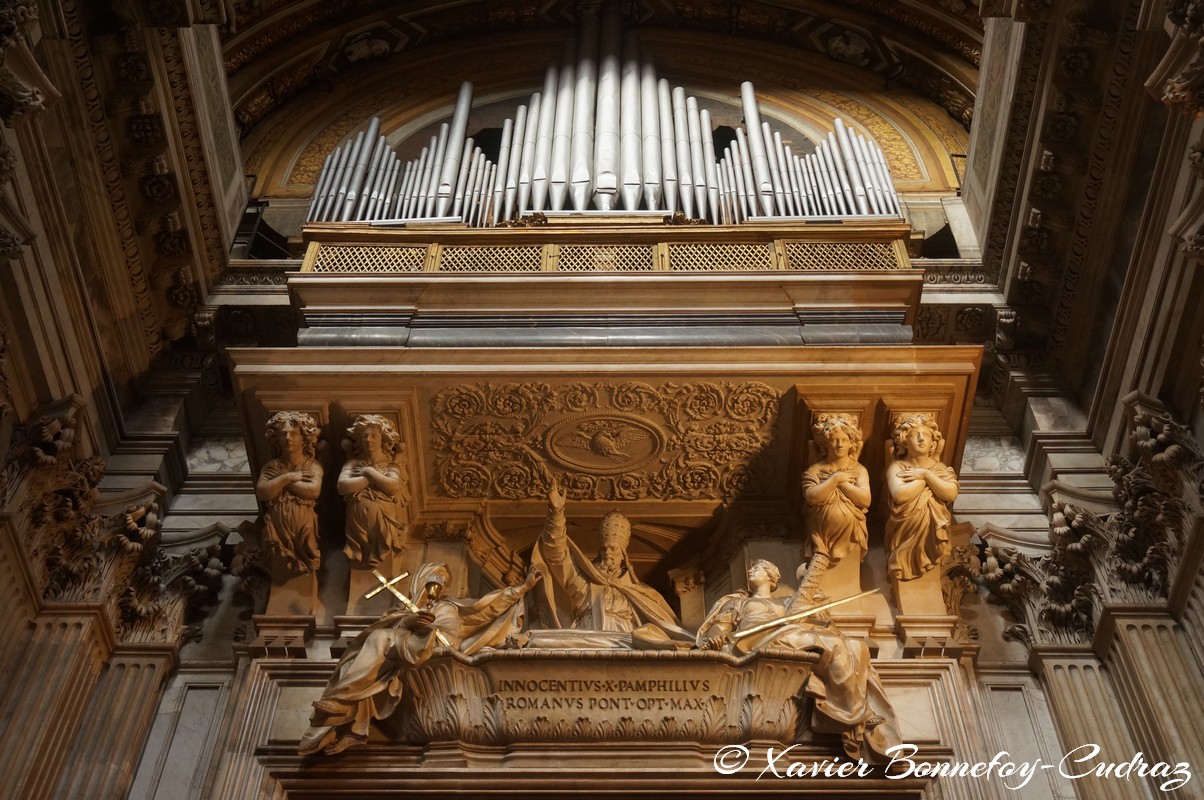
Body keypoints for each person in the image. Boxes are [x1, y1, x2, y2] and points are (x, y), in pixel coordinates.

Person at [298, 562, 542, 755]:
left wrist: (523, 588)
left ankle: (342, 703)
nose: (440, 585)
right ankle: (347, 718)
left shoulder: (451, 607)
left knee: (381, 641)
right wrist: (409, 620)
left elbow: (486, 609)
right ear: (421, 580)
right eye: (435, 578)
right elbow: (394, 626)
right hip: (410, 646)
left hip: (437, 649)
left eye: (443, 582)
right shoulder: (400, 610)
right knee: (373, 647)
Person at [696, 559, 900, 763]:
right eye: (751, 568)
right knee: (832, 644)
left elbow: (817, 614)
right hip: (754, 640)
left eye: (757, 568)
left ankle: (849, 708)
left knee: (857, 646)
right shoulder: (738, 602)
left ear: (771, 576)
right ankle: (857, 714)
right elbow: (719, 626)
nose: (750, 571)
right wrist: (716, 634)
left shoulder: (786, 603)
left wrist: (813, 596)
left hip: (786, 634)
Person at [530, 482, 693, 647]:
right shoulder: (583, 583)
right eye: (604, 549)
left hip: (624, 640)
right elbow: (557, 557)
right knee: (539, 641)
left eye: (613, 548)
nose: (607, 553)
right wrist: (556, 514)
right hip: (588, 638)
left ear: (623, 554)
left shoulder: (642, 591)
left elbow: (669, 625)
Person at [884, 413, 959, 581]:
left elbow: (951, 493)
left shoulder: (939, 467)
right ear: (904, 441)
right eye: (914, 435)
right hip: (905, 528)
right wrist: (926, 481)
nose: (921, 439)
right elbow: (900, 495)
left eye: (925, 435)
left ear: (933, 443)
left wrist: (925, 475)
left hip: (932, 529)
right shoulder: (898, 467)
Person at [256, 411, 323, 574]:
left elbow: (313, 491)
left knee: (308, 553)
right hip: (277, 526)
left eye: (293, 434)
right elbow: (263, 492)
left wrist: (279, 482)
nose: (287, 438)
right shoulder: (271, 466)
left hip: (303, 524)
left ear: (304, 439)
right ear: (276, 439)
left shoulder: (312, 466)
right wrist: (290, 477)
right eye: (283, 434)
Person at [338, 414, 407, 568]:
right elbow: (342, 486)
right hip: (356, 524)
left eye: (374, 436)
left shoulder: (391, 466)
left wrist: (369, 472)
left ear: (383, 439)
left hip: (383, 519)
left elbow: (393, 486)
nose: (369, 440)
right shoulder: (353, 463)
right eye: (365, 436)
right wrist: (370, 479)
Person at [801, 414, 870, 564]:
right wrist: (835, 479)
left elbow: (865, 500)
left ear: (851, 443)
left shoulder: (859, 469)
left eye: (844, 440)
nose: (839, 444)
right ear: (825, 442)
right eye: (834, 440)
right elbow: (811, 497)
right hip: (821, 533)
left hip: (851, 533)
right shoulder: (815, 470)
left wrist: (843, 485)